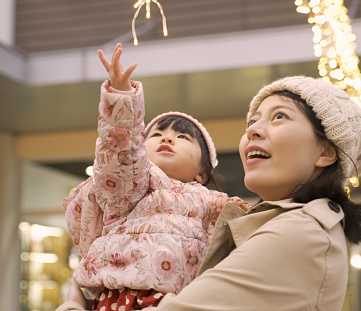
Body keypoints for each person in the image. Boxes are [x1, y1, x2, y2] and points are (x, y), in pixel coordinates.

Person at [57, 74, 361, 311]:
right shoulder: (264, 222)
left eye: (280, 116)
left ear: (325, 152)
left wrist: (73, 305)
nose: (252, 128)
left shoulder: (302, 230)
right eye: (252, 120)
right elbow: (119, 158)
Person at [62, 43, 249, 311]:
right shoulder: (134, 185)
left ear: (202, 172)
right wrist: (122, 99)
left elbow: (239, 246)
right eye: (157, 134)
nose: (168, 138)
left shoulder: (212, 201)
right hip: (123, 297)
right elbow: (121, 151)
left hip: (182, 301)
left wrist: (230, 213)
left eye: (182, 137)